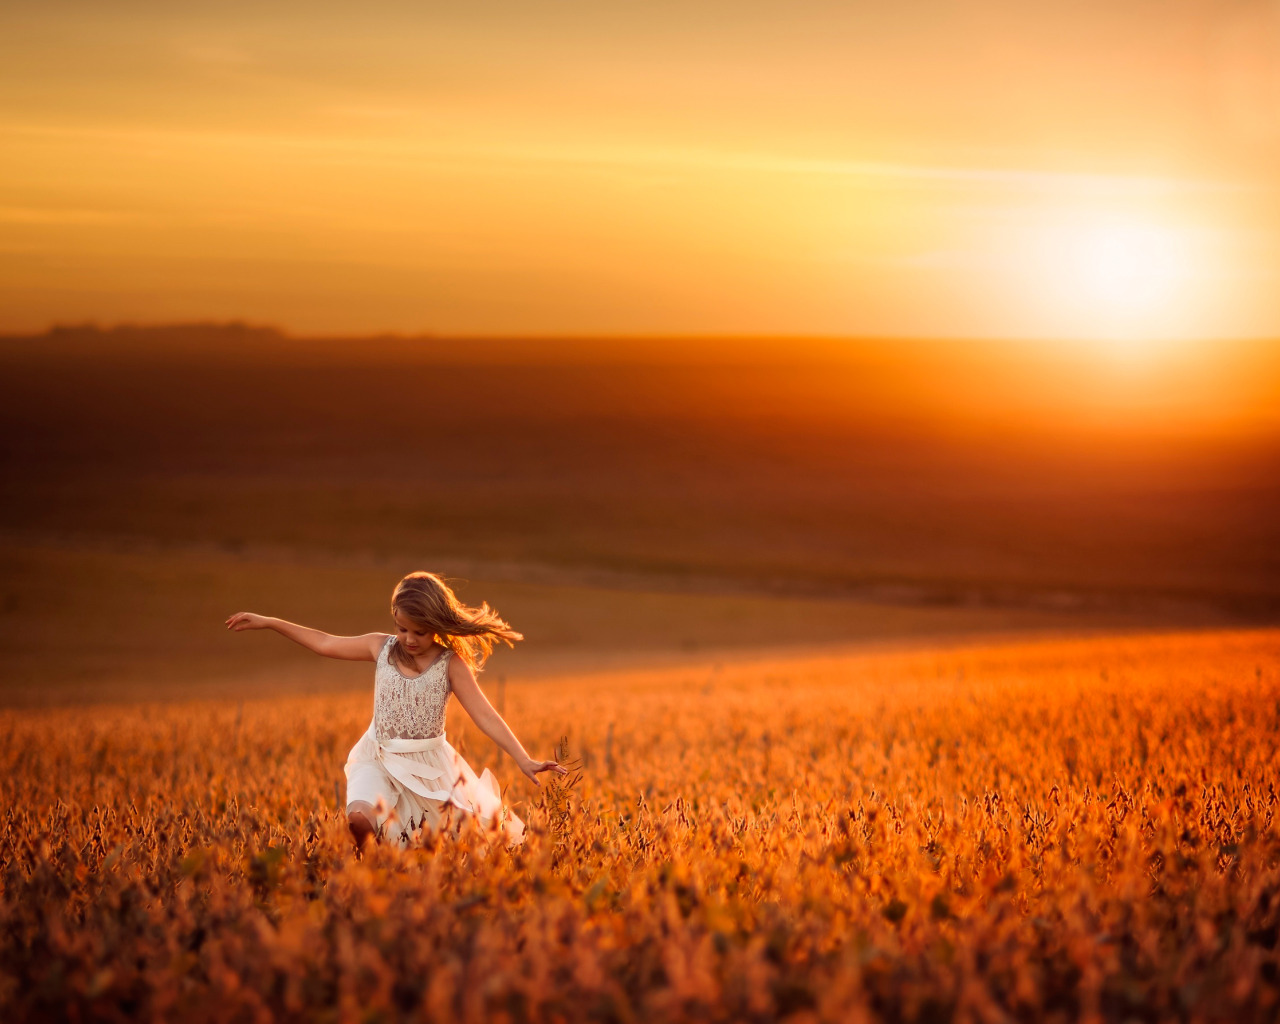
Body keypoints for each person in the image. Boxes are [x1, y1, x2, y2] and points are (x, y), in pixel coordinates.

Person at [224, 571, 565, 852]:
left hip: (428, 768)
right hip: (378, 756)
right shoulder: (380, 647)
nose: (410, 639)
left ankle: (393, 882)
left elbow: (486, 715)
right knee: (359, 821)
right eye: (402, 629)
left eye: (421, 631)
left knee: (450, 847)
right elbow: (324, 642)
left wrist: (523, 759)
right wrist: (269, 622)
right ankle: (368, 866)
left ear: (438, 624)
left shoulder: (450, 664)